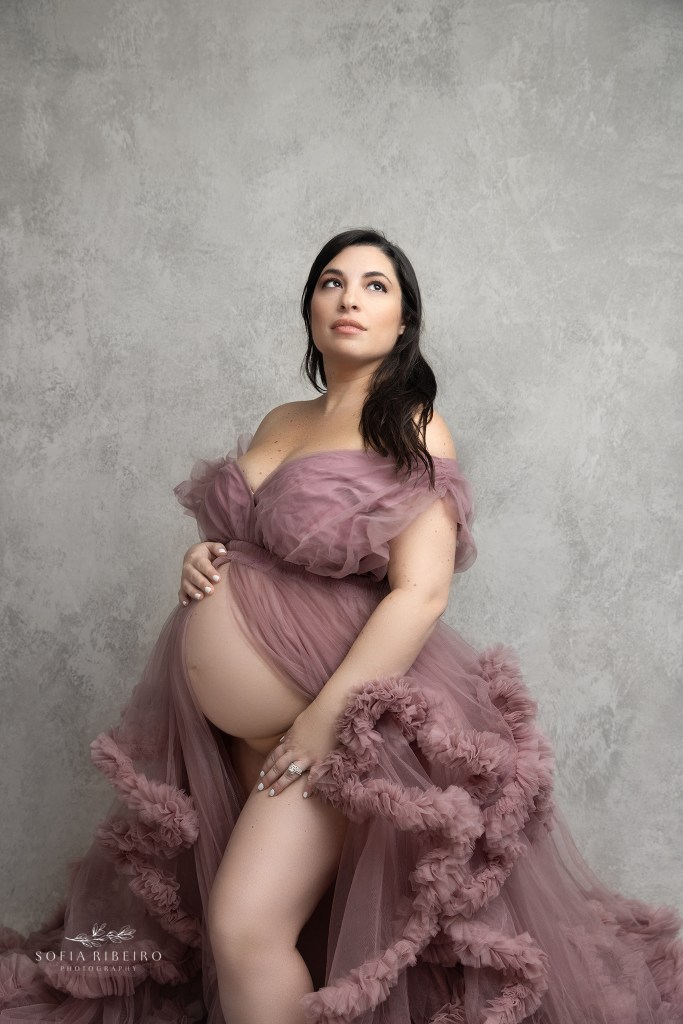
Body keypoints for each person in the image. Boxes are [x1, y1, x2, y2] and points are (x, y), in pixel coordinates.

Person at [0, 228, 681, 1024]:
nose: (349, 297)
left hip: (336, 720)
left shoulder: (414, 425)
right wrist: (202, 560)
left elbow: (420, 593)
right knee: (265, 936)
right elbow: (259, 546)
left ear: (403, 323)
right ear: (310, 308)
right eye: (331, 282)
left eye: (374, 286)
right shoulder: (280, 419)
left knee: (244, 926)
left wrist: (326, 724)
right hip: (234, 734)